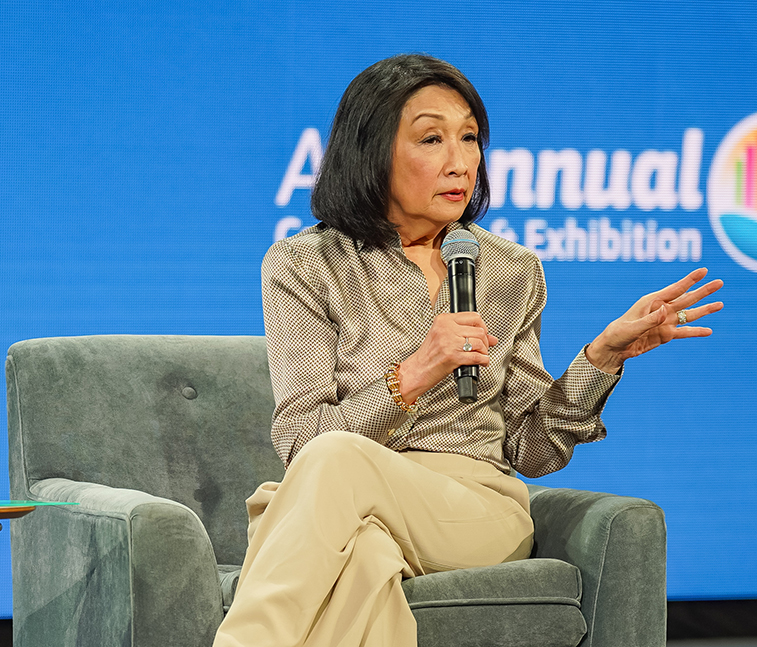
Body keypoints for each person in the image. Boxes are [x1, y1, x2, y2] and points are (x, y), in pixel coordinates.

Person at [213, 54, 723, 647]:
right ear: (372, 152)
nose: (460, 163)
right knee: (362, 558)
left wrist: (602, 358)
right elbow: (300, 439)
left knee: (325, 474)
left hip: (476, 506)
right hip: (349, 494)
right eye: (432, 139)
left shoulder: (511, 269)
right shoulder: (307, 265)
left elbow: (527, 449)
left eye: (470, 138)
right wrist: (416, 373)